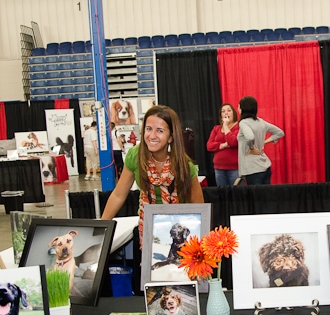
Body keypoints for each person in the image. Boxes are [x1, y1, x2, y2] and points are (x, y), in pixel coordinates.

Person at [101, 105, 204, 244]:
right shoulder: (135, 155)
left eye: (159, 131)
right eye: (149, 129)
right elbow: (118, 195)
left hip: (180, 231)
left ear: (170, 137)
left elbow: (198, 207)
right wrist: (102, 229)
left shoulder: (185, 165)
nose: (152, 135)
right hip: (147, 228)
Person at [236, 96, 284, 185]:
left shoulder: (243, 123)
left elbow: (250, 137)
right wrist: (263, 142)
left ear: (243, 109)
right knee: (265, 193)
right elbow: (280, 132)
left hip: (252, 169)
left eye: (239, 106)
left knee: (256, 193)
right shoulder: (261, 122)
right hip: (265, 166)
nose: (237, 109)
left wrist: (251, 148)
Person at [206, 103, 240, 186]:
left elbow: (232, 142)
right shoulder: (216, 128)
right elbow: (209, 146)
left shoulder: (238, 127)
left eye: (229, 110)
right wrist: (223, 145)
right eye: (223, 111)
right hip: (219, 168)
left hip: (234, 168)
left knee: (237, 192)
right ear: (221, 115)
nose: (226, 113)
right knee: (222, 192)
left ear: (234, 113)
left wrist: (225, 125)